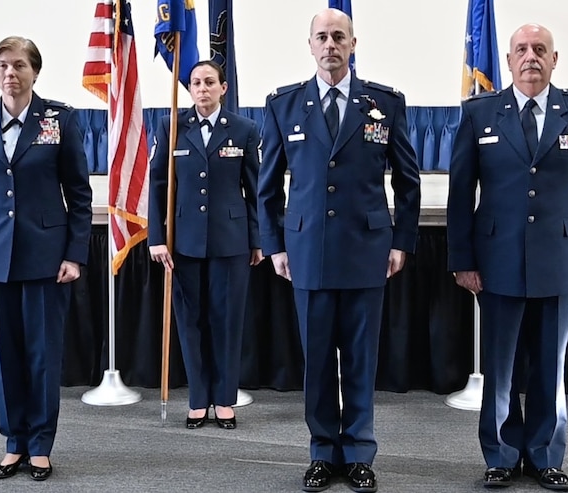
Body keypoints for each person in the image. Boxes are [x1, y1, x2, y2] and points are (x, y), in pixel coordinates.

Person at [257, 9, 421, 493]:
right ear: (309, 45)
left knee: (360, 359)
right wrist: (275, 245)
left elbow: (408, 183)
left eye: (339, 37)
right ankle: (322, 452)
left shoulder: (385, 103)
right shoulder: (284, 105)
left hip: (369, 250)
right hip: (306, 251)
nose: (331, 44)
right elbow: (267, 188)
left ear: (353, 44)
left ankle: (359, 452)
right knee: (316, 360)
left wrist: (401, 242)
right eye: (322, 37)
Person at [447, 24, 568, 491]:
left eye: (540, 50)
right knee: (499, 367)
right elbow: (462, 193)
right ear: (508, 59)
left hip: (561, 258)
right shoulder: (479, 113)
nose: (531, 57)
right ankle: (500, 455)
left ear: (554, 59)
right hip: (495, 258)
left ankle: (544, 455)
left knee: (549, 364)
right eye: (522, 50)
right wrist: (462, 258)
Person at [0, 36, 92, 481]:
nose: (10, 74)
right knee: (4, 355)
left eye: (19, 66)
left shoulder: (60, 120)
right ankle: (14, 442)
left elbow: (79, 195)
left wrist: (75, 254)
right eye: (3, 67)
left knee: (42, 355)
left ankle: (41, 445)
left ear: (35, 72)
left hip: (46, 259)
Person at [148, 60, 263, 430]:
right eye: (196, 82)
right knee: (190, 322)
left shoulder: (244, 129)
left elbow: (255, 191)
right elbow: (159, 187)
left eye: (209, 82)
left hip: (231, 242)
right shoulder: (172, 126)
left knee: (227, 322)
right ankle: (198, 399)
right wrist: (156, 238)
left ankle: (225, 400)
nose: (202, 89)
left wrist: (257, 240)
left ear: (223, 88)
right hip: (184, 242)